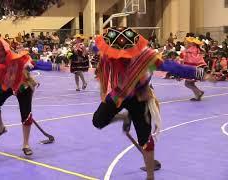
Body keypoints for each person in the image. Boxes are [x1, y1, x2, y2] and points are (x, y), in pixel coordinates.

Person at [92, 27, 214, 180]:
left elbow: (173, 67)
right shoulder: (109, 51)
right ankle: (124, 117)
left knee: (145, 139)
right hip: (119, 94)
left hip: (140, 97)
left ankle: (150, 177)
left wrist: (201, 73)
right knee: (98, 121)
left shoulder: (146, 56)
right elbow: (95, 46)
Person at [180, 36, 207, 101]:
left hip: (192, 69)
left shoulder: (189, 50)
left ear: (191, 43)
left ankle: (199, 92)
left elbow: (187, 59)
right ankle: (197, 96)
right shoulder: (197, 49)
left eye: (186, 43)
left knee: (187, 83)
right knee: (191, 83)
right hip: (198, 68)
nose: (185, 44)